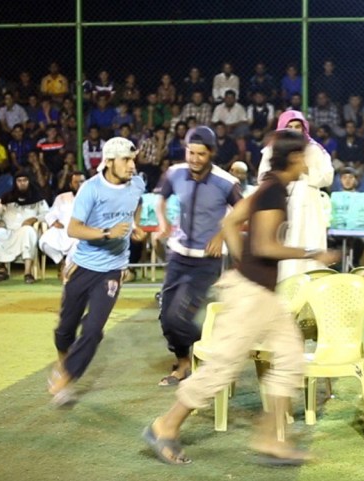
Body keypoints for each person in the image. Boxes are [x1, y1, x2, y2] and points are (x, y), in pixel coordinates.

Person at [143, 130, 339, 466]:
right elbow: (264, 246)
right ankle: (165, 425)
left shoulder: (270, 187)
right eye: (307, 155)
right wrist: (312, 253)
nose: (311, 161)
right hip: (251, 296)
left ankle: (270, 439)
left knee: (291, 358)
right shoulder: (274, 191)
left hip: (259, 292)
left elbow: (230, 220)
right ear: (294, 159)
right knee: (220, 369)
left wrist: (238, 262)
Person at [47, 137, 147, 406]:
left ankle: (66, 379)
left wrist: (133, 226)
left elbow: (135, 205)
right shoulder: (90, 189)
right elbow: (74, 229)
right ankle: (62, 362)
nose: (131, 165)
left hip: (112, 269)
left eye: (133, 159)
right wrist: (107, 233)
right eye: (126, 160)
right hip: (83, 266)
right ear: (109, 161)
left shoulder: (137, 183)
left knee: (93, 329)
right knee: (65, 329)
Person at [155, 126, 243, 386]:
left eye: (200, 154)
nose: (194, 159)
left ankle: (214, 350)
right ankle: (184, 364)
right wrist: (163, 223)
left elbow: (242, 212)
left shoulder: (226, 182)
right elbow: (160, 198)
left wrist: (221, 235)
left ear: (212, 153)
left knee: (177, 317)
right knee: (166, 318)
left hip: (206, 261)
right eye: (190, 152)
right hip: (178, 255)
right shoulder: (175, 173)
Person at [256, 110, 334, 280]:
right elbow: (262, 177)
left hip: (309, 206)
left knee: (308, 241)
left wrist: (306, 170)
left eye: (297, 126)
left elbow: (327, 178)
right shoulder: (272, 149)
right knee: (284, 242)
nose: (293, 130)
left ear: (304, 128)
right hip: (281, 203)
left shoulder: (314, 149)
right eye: (289, 126)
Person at [0, 171, 49, 283]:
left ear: (29, 181)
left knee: (27, 231)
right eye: (19, 181)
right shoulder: (6, 197)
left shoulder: (38, 198)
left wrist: (34, 219)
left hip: (26, 230)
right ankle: (2, 269)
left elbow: (46, 214)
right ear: (15, 182)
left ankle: (27, 272)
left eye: (24, 181)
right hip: (7, 231)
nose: (22, 183)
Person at [39, 171, 85, 278]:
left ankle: (68, 270)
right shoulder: (62, 197)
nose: (79, 184)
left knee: (78, 244)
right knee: (44, 241)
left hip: (80, 232)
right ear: (70, 184)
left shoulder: (92, 198)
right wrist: (54, 222)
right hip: (62, 230)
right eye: (76, 182)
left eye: (82, 182)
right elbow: (51, 214)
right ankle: (60, 262)